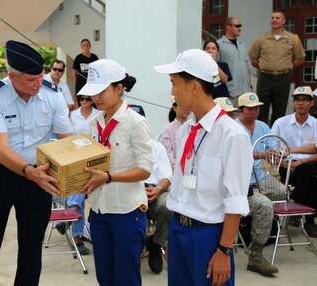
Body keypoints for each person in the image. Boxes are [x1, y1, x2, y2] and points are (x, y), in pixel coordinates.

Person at [0, 40, 73, 286]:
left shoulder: (51, 96)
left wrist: (76, 169)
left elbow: (67, 140)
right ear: (12, 76)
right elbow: (0, 149)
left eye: (41, 76)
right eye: (31, 80)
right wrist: (28, 172)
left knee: (31, 250)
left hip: (39, 177)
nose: (38, 84)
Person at [154, 49, 253, 286]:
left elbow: (235, 199)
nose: (172, 92)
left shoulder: (231, 135)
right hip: (179, 230)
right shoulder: (186, 130)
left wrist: (224, 251)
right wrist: (173, 234)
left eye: (174, 84)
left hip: (208, 236)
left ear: (195, 87)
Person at [78, 59, 154, 285]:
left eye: (102, 91)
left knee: (126, 277)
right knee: (105, 276)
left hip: (127, 213)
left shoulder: (135, 122)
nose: (96, 98)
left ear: (119, 88)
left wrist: (109, 177)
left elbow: (145, 169)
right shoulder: (94, 122)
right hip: (100, 211)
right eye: (93, 93)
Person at [235, 92, 279, 276]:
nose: (254, 112)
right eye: (250, 109)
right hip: (238, 182)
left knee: (279, 195)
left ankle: (256, 252)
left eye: (256, 108)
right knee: (263, 202)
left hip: (260, 177)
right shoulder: (233, 128)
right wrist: (260, 155)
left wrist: (275, 159)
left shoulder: (262, 126)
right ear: (240, 110)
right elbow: (237, 154)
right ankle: (243, 233)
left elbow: (272, 149)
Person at [129, 104, 172, 274]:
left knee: (168, 204)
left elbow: (167, 176)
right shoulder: (118, 146)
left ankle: (156, 244)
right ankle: (134, 250)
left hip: (154, 190)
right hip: (130, 191)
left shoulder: (156, 146)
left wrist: (159, 189)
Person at [55, 94, 98, 255]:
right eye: (82, 99)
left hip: (92, 158)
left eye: (88, 98)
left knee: (78, 188)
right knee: (78, 190)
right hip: (74, 156)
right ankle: (76, 234)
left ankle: (70, 221)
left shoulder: (98, 115)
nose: (85, 101)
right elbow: (68, 138)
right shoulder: (73, 115)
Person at [271, 86, 317, 238]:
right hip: (286, 166)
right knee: (311, 177)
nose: (300, 103)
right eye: (297, 99)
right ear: (293, 103)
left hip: (308, 165)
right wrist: (282, 161)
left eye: (305, 100)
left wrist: (300, 162)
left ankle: (297, 208)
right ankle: (309, 221)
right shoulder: (280, 123)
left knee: (308, 171)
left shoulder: (315, 124)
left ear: (311, 103)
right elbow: (272, 148)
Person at [249, 10, 305, 126]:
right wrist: (264, 67)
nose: (274, 20)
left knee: (279, 109)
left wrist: (287, 66)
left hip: (283, 78)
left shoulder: (293, 38)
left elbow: (300, 58)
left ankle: (276, 137)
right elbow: (253, 58)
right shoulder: (261, 39)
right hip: (265, 77)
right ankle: (262, 136)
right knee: (261, 109)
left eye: (277, 18)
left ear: (283, 21)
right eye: (272, 18)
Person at [217, 17, 253, 105]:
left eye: (240, 26)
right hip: (230, 93)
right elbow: (216, 68)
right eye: (237, 26)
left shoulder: (242, 45)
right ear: (228, 27)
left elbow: (247, 67)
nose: (240, 28)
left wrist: (250, 86)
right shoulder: (219, 45)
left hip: (245, 92)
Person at [160, 96, 191, 174]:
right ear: (174, 107)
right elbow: (168, 155)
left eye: (189, 105)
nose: (187, 108)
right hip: (174, 173)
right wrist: (179, 171)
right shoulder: (168, 130)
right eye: (184, 105)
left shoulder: (193, 127)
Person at [72, 39, 98, 105]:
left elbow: (98, 71)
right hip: (81, 85)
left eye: (87, 45)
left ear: (90, 46)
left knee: (93, 103)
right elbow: (74, 71)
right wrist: (77, 81)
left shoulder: (95, 57)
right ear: (81, 47)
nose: (86, 47)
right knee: (82, 102)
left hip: (92, 84)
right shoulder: (78, 58)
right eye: (84, 45)